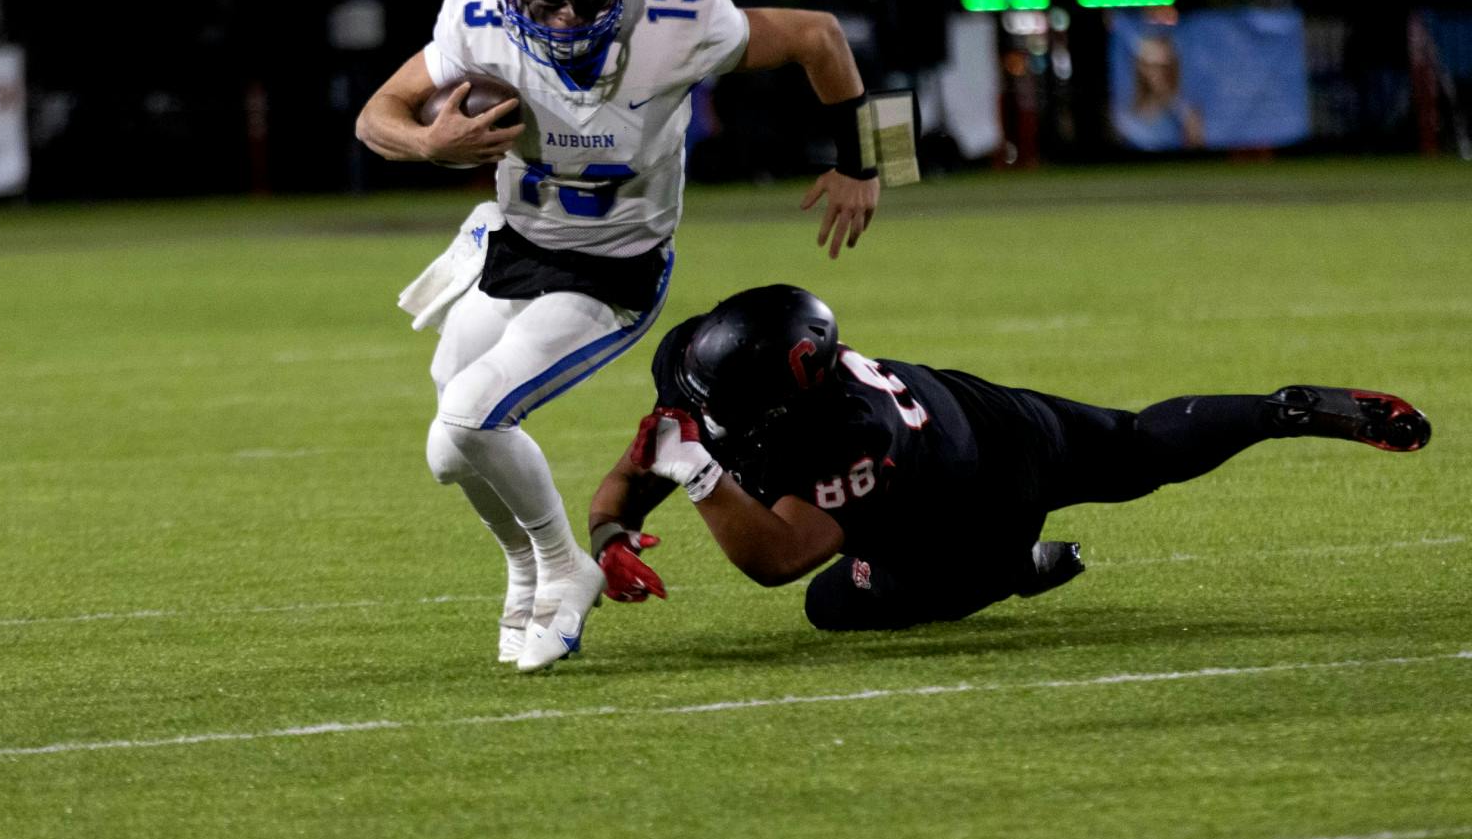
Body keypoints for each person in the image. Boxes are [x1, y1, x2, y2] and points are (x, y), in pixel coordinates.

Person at [356, 0, 881, 671]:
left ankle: (565, 565)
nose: (569, 20)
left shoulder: (676, 22)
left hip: (611, 270)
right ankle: (528, 566)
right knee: (449, 450)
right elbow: (376, 115)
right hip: (514, 247)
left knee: (470, 416)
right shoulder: (474, 22)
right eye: (545, 4)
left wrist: (866, 161)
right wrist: (427, 145)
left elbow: (820, 35)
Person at [587, 284, 1432, 630]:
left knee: (828, 604)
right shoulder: (712, 368)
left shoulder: (850, 437)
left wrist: (697, 473)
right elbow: (635, 469)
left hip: (968, 503)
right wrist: (612, 534)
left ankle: (1014, 566)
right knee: (1136, 446)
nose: (699, 409)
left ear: (788, 390)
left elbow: (776, 556)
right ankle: (1281, 411)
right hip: (985, 411)